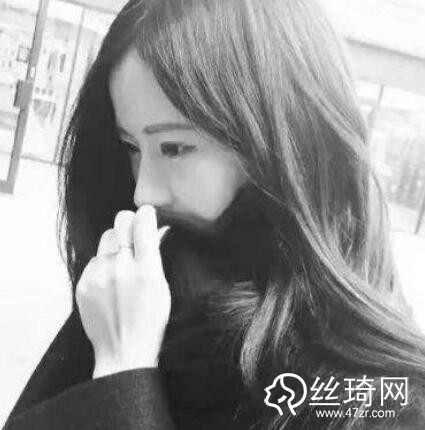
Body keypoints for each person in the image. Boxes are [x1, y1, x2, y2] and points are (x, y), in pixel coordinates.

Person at [4, 0, 425, 428]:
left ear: (282, 141)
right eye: (131, 147)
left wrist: (123, 368)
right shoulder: (146, 283)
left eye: (174, 147)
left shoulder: (383, 396)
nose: (143, 192)